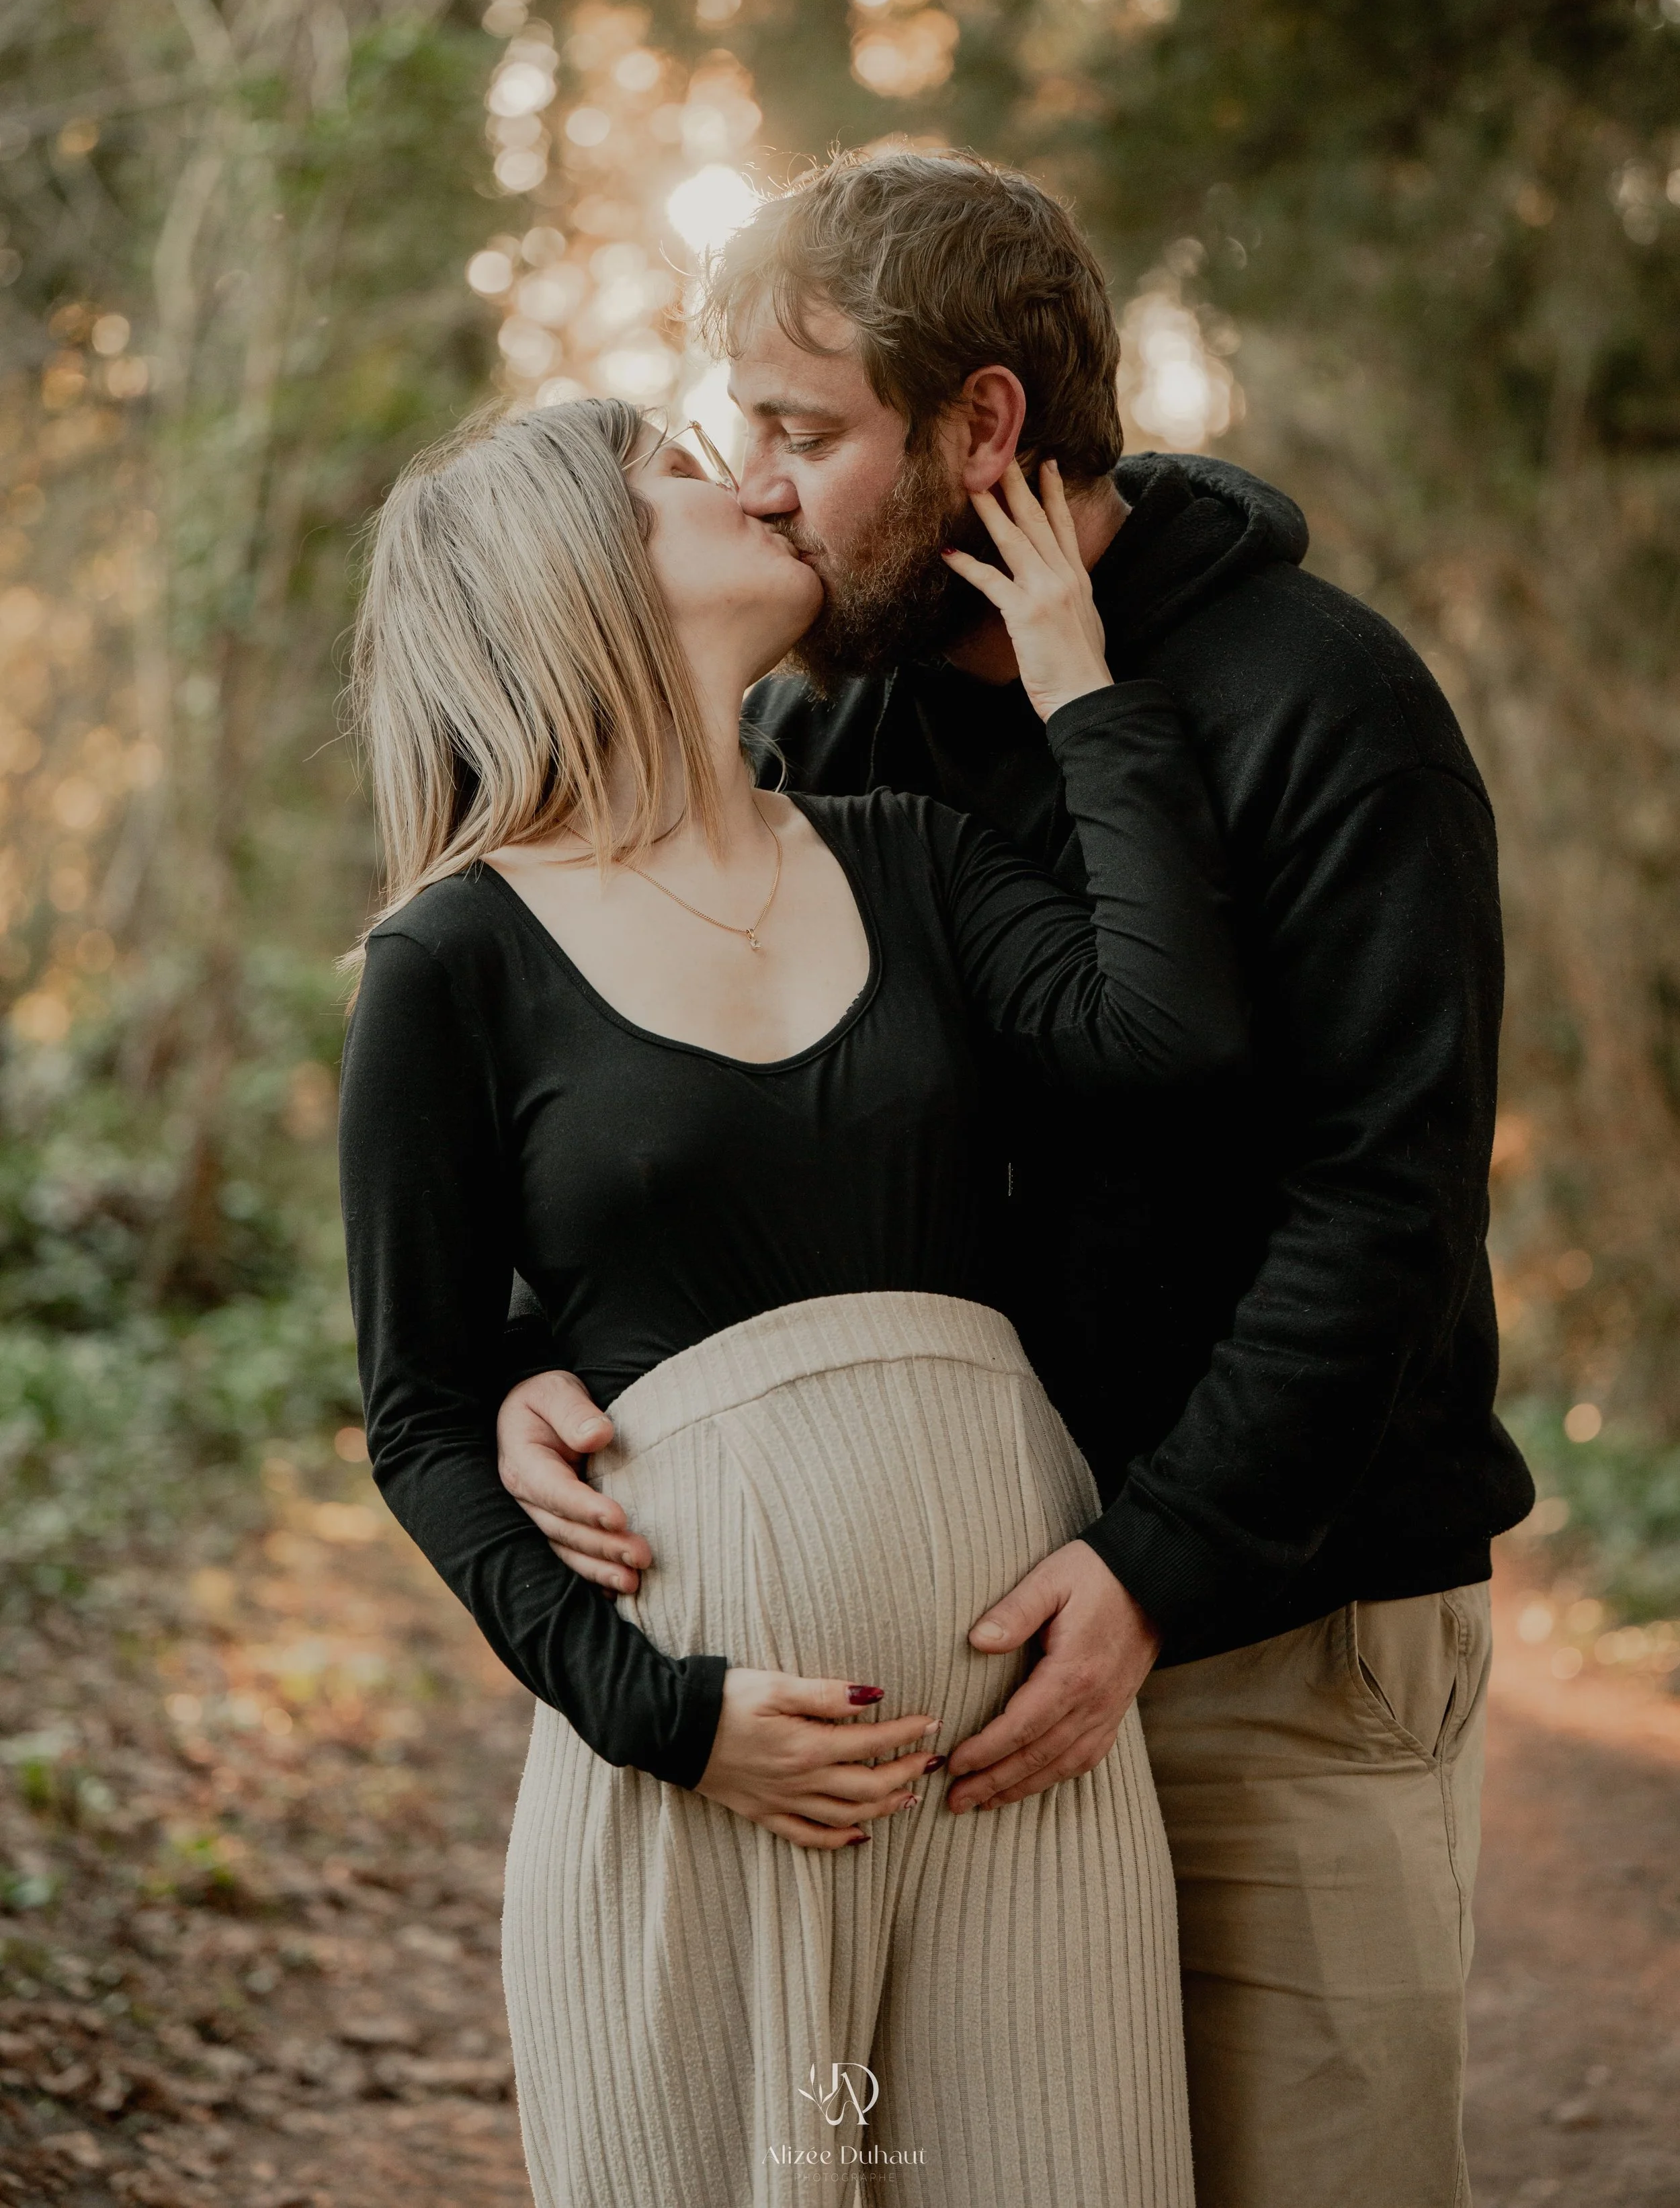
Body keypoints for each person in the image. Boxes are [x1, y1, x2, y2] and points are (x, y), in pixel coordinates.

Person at [494, 149, 1537, 2208]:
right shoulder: (824, 726)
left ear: (983, 424)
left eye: (809, 433)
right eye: (748, 435)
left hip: (1267, 1643)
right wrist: (542, 1349)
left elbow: (1376, 1208)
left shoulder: (1323, 713)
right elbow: (708, 1099)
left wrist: (1153, 1567)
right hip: (945, 1662)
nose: (766, 488)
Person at [335, 390, 1253, 2208]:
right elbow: (424, 1409)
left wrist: (1078, 679)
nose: (756, 482)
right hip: (712, 1776)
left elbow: (1168, 1039)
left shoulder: (906, 854)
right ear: (573, 566)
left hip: (1019, 1770)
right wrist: (660, 1712)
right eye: (686, 473)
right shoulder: (452, 956)